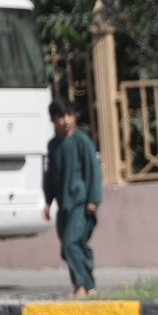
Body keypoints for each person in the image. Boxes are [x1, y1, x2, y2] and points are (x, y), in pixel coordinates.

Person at [43, 98, 102, 297]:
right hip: (64, 204)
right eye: (61, 116)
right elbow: (51, 176)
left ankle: (80, 287)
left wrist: (93, 199)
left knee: (70, 243)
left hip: (81, 202)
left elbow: (93, 170)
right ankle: (90, 286)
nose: (66, 120)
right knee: (71, 246)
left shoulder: (81, 141)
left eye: (69, 115)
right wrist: (48, 201)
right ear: (53, 119)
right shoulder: (53, 146)